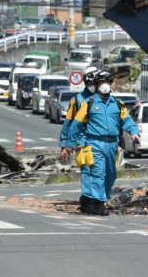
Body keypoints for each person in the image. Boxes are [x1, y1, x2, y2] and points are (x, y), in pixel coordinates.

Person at [63, 70, 141, 216]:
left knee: (111, 175)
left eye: (107, 82)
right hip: (94, 143)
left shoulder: (118, 104)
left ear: (111, 84)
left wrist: (134, 132)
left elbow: (127, 120)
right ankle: (98, 204)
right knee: (98, 173)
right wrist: (69, 144)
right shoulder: (89, 103)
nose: (104, 85)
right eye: (101, 82)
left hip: (112, 145)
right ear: (96, 85)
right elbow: (76, 124)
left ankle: (93, 201)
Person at [59, 69, 96, 213]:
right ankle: (87, 200)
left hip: (101, 142)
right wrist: (65, 145)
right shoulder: (77, 100)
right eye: (89, 82)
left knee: (102, 173)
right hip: (83, 141)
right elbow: (69, 123)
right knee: (87, 171)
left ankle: (97, 199)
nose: (92, 85)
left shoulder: (106, 99)